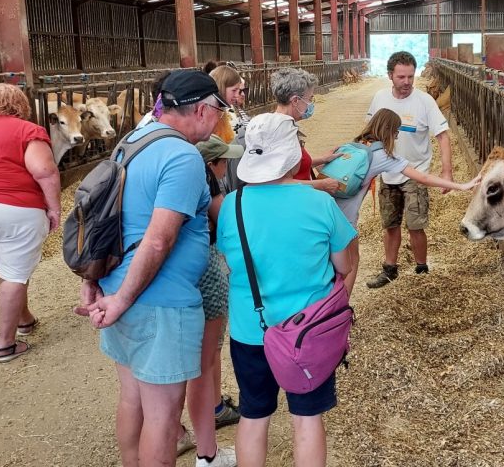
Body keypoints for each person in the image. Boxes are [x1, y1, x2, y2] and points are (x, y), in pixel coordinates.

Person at [76, 69, 228, 466]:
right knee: (162, 416)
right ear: (201, 109)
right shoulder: (182, 156)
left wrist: (98, 283)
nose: (219, 122)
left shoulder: (133, 141)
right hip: (160, 302)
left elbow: (107, 218)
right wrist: (124, 298)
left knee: (133, 398)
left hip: (117, 289)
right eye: (218, 112)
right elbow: (159, 238)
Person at [216, 112, 356, 467]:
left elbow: (230, 262)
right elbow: (345, 264)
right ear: (292, 153)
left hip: (252, 330)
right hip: (307, 332)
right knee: (306, 418)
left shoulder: (232, 206)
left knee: (253, 415)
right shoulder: (320, 203)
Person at [329, 109, 478, 291]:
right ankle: (342, 310)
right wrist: (462, 186)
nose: (397, 136)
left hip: (325, 210)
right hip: (345, 221)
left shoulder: (353, 145)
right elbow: (422, 178)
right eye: (396, 132)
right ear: (390, 131)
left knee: (328, 266)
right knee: (350, 263)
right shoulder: (383, 157)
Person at [365, 51, 454, 289]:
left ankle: (421, 269)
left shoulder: (424, 101)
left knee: (416, 224)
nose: (406, 82)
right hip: (388, 172)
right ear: (390, 76)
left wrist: (447, 172)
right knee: (390, 224)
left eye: (410, 77)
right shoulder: (380, 98)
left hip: (416, 172)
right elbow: (369, 133)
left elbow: (443, 137)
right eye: (401, 77)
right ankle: (390, 269)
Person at [184, 135, 243, 467]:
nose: (226, 167)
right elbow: (227, 222)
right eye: (221, 161)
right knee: (203, 363)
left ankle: (195, 430)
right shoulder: (208, 191)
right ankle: (207, 454)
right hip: (207, 272)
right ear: (211, 165)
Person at [0, 84, 61, 363]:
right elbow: (44, 171)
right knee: (15, 273)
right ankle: (5, 344)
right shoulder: (27, 131)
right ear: (21, 104)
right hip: (17, 208)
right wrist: (54, 207)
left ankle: (24, 320)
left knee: (8, 268)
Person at [270, 67, 341, 194]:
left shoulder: (285, 126)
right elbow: (277, 182)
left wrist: (323, 159)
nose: (310, 104)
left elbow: (293, 166)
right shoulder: (278, 132)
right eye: (309, 99)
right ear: (295, 101)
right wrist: (322, 185)